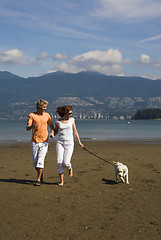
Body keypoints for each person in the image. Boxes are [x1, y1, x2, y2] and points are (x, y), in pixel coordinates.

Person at [26, 99, 54, 186]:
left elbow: (51, 126)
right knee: (35, 163)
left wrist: (52, 133)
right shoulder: (32, 115)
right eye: (44, 107)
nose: (45, 109)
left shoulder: (47, 115)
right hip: (35, 141)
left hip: (44, 141)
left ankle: (38, 180)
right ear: (39, 107)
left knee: (40, 161)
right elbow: (27, 128)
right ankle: (40, 173)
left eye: (45, 107)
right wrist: (32, 126)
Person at [54, 105, 84, 186]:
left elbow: (75, 131)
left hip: (69, 144)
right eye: (70, 113)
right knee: (59, 162)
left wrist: (79, 142)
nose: (71, 114)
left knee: (66, 162)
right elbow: (56, 132)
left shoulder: (72, 120)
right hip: (60, 143)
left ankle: (70, 168)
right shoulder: (57, 122)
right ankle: (61, 181)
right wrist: (52, 134)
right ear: (65, 113)